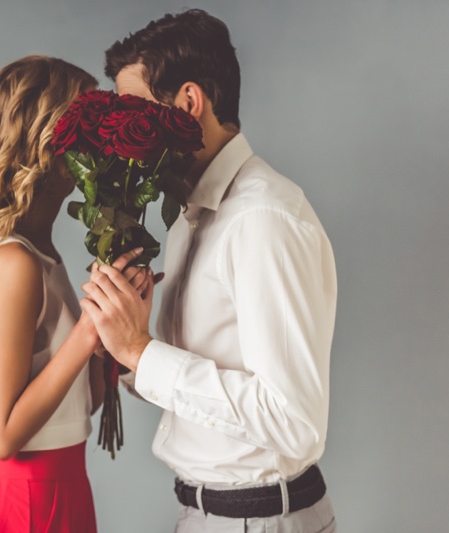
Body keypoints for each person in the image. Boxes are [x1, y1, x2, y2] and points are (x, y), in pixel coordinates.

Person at [80, 10, 338, 532]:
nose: (121, 133)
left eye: (133, 108)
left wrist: (142, 352)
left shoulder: (262, 218)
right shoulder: (191, 215)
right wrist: (127, 353)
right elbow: (212, 386)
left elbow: (295, 423)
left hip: (261, 522)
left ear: (189, 103)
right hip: (202, 515)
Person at [0, 55, 150, 533]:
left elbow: (76, 407)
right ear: (47, 142)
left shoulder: (41, 252)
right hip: (23, 503)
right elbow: (2, 437)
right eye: (87, 131)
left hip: (64, 493)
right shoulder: (12, 263)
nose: (101, 145)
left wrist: (115, 326)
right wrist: (87, 332)